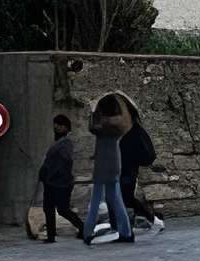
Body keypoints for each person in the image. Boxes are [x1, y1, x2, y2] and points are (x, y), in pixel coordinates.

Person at [83, 92, 134, 244]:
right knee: (116, 199)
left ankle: (87, 232)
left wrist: (94, 113)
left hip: (104, 165)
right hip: (113, 162)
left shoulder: (103, 123)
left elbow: (92, 127)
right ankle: (126, 232)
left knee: (96, 200)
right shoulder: (117, 124)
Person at [35, 113, 81, 241]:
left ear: (65, 127)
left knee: (62, 209)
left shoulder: (66, 143)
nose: (56, 128)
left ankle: (82, 227)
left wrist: (53, 173)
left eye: (59, 126)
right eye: (55, 126)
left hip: (60, 183)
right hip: (51, 181)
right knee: (49, 208)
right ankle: (51, 235)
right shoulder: (60, 143)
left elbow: (66, 162)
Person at [121, 103, 162, 232]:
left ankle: (152, 218)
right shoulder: (131, 131)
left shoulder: (134, 131)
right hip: (126, 170)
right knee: (125, 199)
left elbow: (130, 151)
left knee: (126, 199)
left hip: (128, 171)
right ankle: (147, 219)